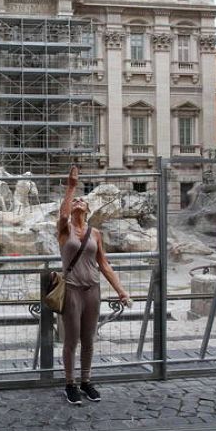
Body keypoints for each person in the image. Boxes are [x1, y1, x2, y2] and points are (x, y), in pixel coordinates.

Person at [57, 165, 130, 405]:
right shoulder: (65, 230)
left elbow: (105, 264)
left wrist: (121, 291)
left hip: (92, 290)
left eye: (81, 201)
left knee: (89, 339)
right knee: (71, 340)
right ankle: (70, 384)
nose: (78, 202)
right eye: (75, 201)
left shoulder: (95, 233)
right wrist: (71, 186)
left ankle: (86, 381)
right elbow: (63, 215)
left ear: (88, 210)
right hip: (71, 290)